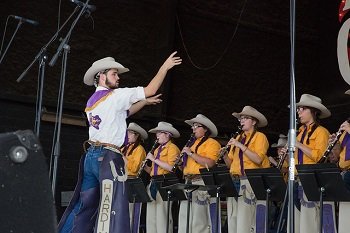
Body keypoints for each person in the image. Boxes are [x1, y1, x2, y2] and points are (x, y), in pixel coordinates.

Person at [58, 52, 182, 233]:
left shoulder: (93, 101)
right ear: (101, 76)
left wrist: (144, 102)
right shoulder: (115, 96)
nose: (118, 78)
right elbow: (150, 89)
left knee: (84, 206)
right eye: (114, 74)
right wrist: (165, 67)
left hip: (91, 156)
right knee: (113, 206)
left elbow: (126, 112)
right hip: (109, 157)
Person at [284, 94, 335, 233]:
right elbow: (293, 161)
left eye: (302, 108)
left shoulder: (321, 132)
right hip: (297, 180)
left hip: (312, 180)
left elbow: (319, 158)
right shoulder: (299, 133)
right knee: (296, 222)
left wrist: (298, 144)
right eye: (298, 109)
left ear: (313, 111)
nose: (298, 112)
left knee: (309, 222)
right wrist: (288, 153)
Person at [222, 106, 269, 233]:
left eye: (245, 118)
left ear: (254, 122)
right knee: (233, 218)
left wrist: (240, 146)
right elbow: (230, 164)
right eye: (240, 118)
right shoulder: (238, 138)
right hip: (235, 180)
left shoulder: (260, 137)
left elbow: (258, 159)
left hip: (250, 181)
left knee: (246, 220)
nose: (241, 121)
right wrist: (225, 155)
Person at [178, 114, 221, 233]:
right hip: (188, 181)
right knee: (184, 217)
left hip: (201, 181)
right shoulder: (191, 143)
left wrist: (191, 154)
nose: (193, 128)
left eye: (197, 126)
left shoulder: (212, 143)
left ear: (206, 129)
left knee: (199, 219)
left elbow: (211, 163)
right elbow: (185, 169)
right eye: (193, 126)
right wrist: (180, 162)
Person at [145, 121, 181, 233]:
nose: (157, 136)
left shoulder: (173, 148)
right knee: (151, 217)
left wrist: (153, 159)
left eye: (160, 133)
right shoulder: (156, 150)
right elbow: (154, 170)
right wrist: (145, 167)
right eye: (157, 133)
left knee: (162, 215)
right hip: (153, 181)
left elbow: (171, 168)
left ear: (168, 134)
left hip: (165, 182)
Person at [121, 122, 148, 233]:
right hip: (121, 181)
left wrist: (121, 156)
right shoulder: (124, 147)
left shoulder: (139, 149)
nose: (127, 135)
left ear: (137, 136)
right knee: (121, 212)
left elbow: (133, 169)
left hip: (132, 182)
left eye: (130, 133)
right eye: (127, 132)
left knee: (131, 214)